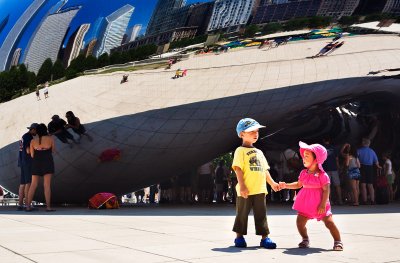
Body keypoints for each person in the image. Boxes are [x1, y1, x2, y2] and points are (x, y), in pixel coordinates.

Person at [279, 141, 343, 251]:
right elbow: (298, 185)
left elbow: (326, 190)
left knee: (330, 223)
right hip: (305, 205)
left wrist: (323, 205)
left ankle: (338, 241)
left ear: (316, 159)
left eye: (307, 156)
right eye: (303, 156)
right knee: (299, 223)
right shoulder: (303, 173)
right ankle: (305, 239)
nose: (303, 158)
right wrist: (286, 186)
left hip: (320, 205)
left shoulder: (323, 175)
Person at [232, 118, 279, 249]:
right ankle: (239, 237)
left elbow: (265, 170)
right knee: (242, 214)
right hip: (245, 190)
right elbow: (238, 169)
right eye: (251, 131)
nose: (255, 133)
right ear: (242, 134)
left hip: (260, 189)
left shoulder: (260, 152)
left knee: (261, 215)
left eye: (257, 131)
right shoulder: (239, 151)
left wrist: (272, 183)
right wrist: (242, 185)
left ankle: (265, 238)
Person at [26, 124, 56, 212]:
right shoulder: (50, 139)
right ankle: (48, 207)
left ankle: (28, 207)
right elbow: (53, 151)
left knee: (33, 185)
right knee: (47, 185)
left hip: (36, 162)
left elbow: (32, 155)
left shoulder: (32, 141)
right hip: (47, 162)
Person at [17, 123, 38, 210]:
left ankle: (20, 204)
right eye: (36, 130)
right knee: (28, 183)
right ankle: (27, 204)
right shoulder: (28, 137)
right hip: (27, 162)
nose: (36, 133)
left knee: (22, 184)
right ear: (33, 129)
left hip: (22, 161)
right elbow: (28, 150)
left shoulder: (24, 136)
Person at [357, 138, 381, 205]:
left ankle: (364, 200)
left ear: (363, 143)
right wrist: (379, 166)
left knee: (363, 184)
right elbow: (376, 162)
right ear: (369, 144)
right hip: (370, 168)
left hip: (362, 167)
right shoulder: (372, 151)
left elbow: (356, 159)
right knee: (370, 184)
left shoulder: (359, 150)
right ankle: (372, 200)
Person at [322, 138, 343, 205]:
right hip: (334, 168)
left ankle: (330, 201)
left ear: (324, 141)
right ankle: (340, 200)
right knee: (337, 185)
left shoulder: (322, 149)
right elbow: (337, 159)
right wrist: (338, 167)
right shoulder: (334, 148)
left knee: (328, 186)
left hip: (326, 169)